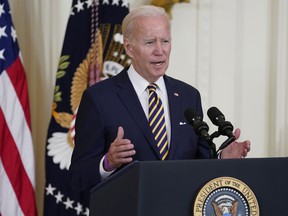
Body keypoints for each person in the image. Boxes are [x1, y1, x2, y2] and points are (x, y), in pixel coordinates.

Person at [69, 5, 251, 191]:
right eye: (150, 42)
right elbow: (77, 177)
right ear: (129, 48)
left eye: (165, 41)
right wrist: (107, 163)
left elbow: (198, 165)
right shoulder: (99, 98)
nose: (160, 50)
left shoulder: (189, 96)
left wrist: (222, 160)